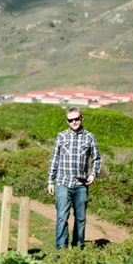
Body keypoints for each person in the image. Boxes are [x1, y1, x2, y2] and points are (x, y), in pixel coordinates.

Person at [47, 107, 101, 249]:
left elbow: (97, 159)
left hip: (81, 185)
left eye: (76, 119)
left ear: (82, 118)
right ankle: (61, 250)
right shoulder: (61, 136)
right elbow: (55, 159)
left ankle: (78, 248)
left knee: (81, 219)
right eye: (71, 120)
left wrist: (93, 174)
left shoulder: (90, 137)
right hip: (63, 183)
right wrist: (50, 181)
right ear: (67, 121)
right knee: (62, 218)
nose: (74, 122)